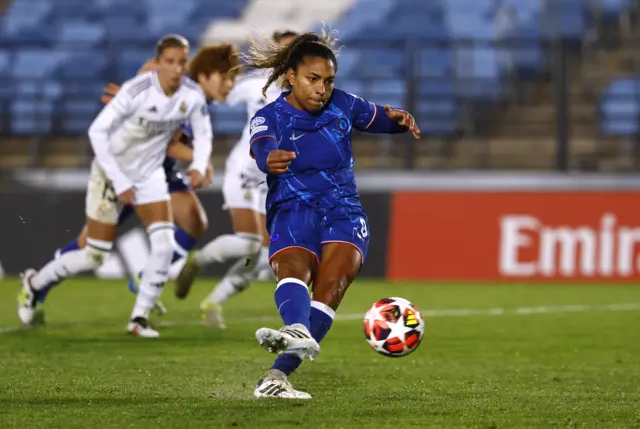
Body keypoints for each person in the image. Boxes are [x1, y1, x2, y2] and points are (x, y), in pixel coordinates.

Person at [245, 30, 420, 399]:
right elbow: (261, 147)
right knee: (295, 268)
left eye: (328, 81)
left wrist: (398, 119)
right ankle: (295, 328)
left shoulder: (343, 104)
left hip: (343, 209)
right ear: (291, 77)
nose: (322, 89)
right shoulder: (269, 117)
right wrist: (267, 159)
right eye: (313, 79)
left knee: (330, 288)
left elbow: (376, 118)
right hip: (292, 206)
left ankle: (276, 378)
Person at [22, 43, 240, 327]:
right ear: (207, 74)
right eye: (226, 78)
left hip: (158, 172)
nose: (230, 86)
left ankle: (143, 285)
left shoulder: (195, 100)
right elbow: (169, 140)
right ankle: (37, 285)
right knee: (90, 247)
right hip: (129, 169)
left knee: (194, 222)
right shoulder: (172, 85)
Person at [173, 30, 299, 329]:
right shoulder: (257, 86)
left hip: (274, 181)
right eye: (283, 52)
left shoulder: (308, 96)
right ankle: (197, 261)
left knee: (259, 258)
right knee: (249, 244)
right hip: (245, 171)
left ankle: (213, 302)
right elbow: (214, 92)